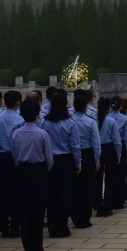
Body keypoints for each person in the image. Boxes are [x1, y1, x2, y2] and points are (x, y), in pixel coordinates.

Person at [11, 100, 53, 251]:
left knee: (24, 209)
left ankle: (27, 244)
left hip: (22, 170)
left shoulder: (16, 133)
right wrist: (43, 170)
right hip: (39, 170)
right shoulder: (42, 134)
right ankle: (37, 244)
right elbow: (49, 158)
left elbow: (15, 156)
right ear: (37, 115)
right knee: (38, 209)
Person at [40, 92, 81, 238]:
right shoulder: (70, 123)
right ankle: (62, 228)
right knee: (64, 195)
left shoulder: (44, 122)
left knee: (51, 195)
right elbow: (75, 146)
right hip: (65, 160)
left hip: (49, 160)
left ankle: (52, 228)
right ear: (65, 105)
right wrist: (78, 163)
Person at [0, 90, 24, 238]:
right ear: (18, 102)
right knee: (16, 193)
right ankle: (15, 225)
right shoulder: (20, 120)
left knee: (2, 192)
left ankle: (3, 226)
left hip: (0, 157)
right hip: (14, 157)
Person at [70, 95, 100, 229]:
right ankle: (85, 218)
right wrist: (97, 160)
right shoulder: (90, 121)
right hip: (87, 154)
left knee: (75, 188)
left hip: (73, 154)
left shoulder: (70, 121)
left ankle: (75, 217)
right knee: (87, 188)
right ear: (85, 106)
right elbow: (95, 143)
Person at [94, 98, 121, 218]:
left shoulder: (92, 120)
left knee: (97, 180)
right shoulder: (111, 121)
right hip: (109, 150)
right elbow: (116, 140)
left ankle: (98, 205)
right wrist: (118, 154)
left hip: (97, 149)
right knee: (110, 180)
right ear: (108, 108)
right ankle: (108, 206)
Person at [107, 97, 127, 209]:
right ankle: (119, 200)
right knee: (120, 176)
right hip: (120, 145)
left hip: (110, 147)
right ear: (121, 106)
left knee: (110, 176)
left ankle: (109, 200)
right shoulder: (124, 119)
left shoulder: (107, 117)